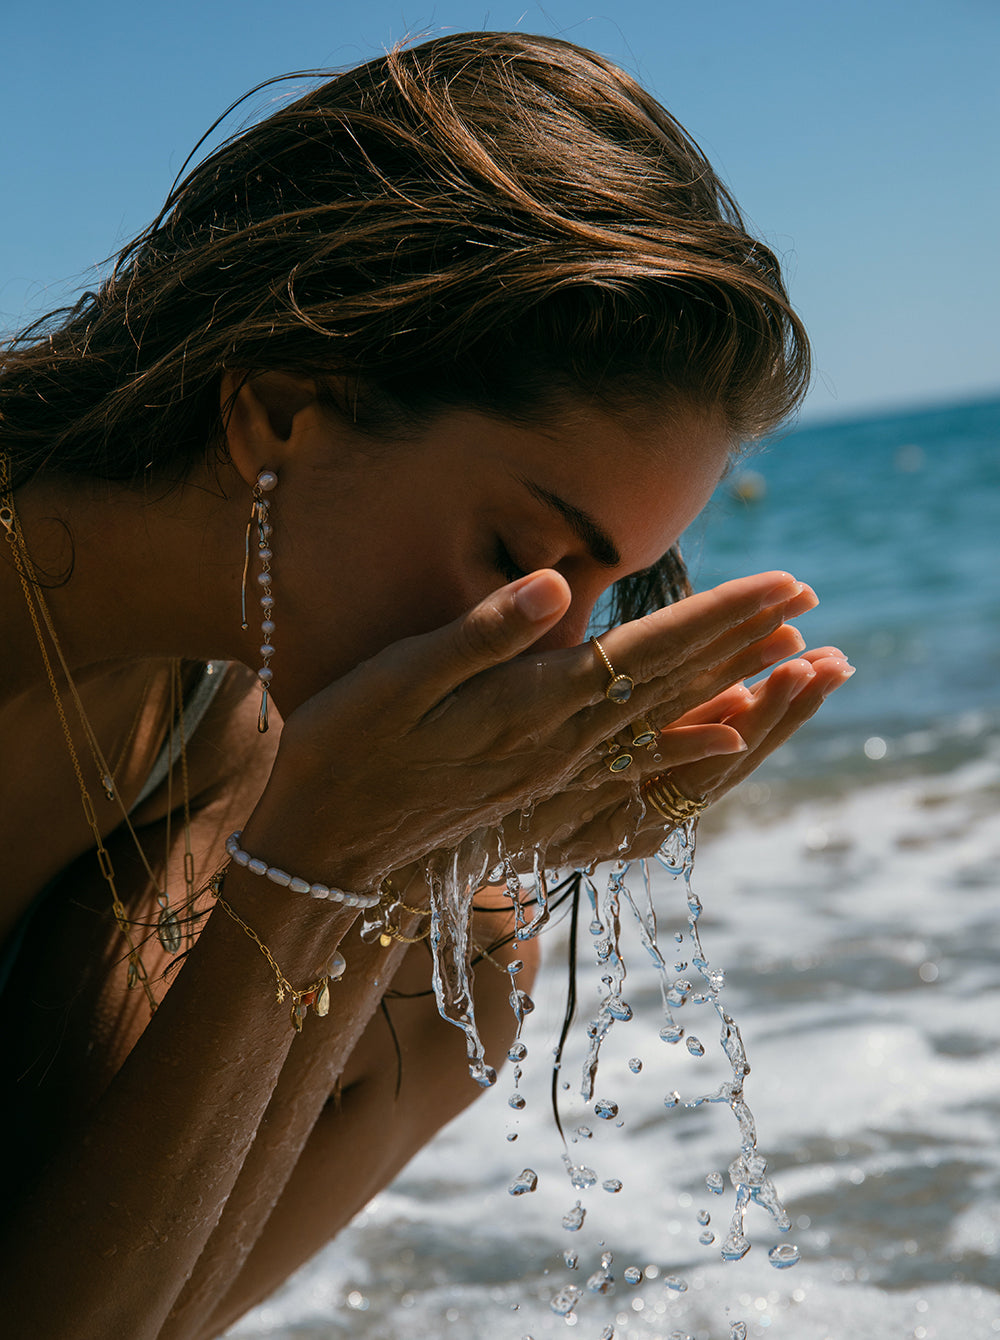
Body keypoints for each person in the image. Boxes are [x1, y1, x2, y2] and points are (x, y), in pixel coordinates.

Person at [0, 30, 853, 1339]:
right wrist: (311, 871)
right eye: (518, 559)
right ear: (283, 408)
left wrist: (385, 872)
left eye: (600, 589)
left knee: (470, 955)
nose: (551, 657)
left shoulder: (213, 730)